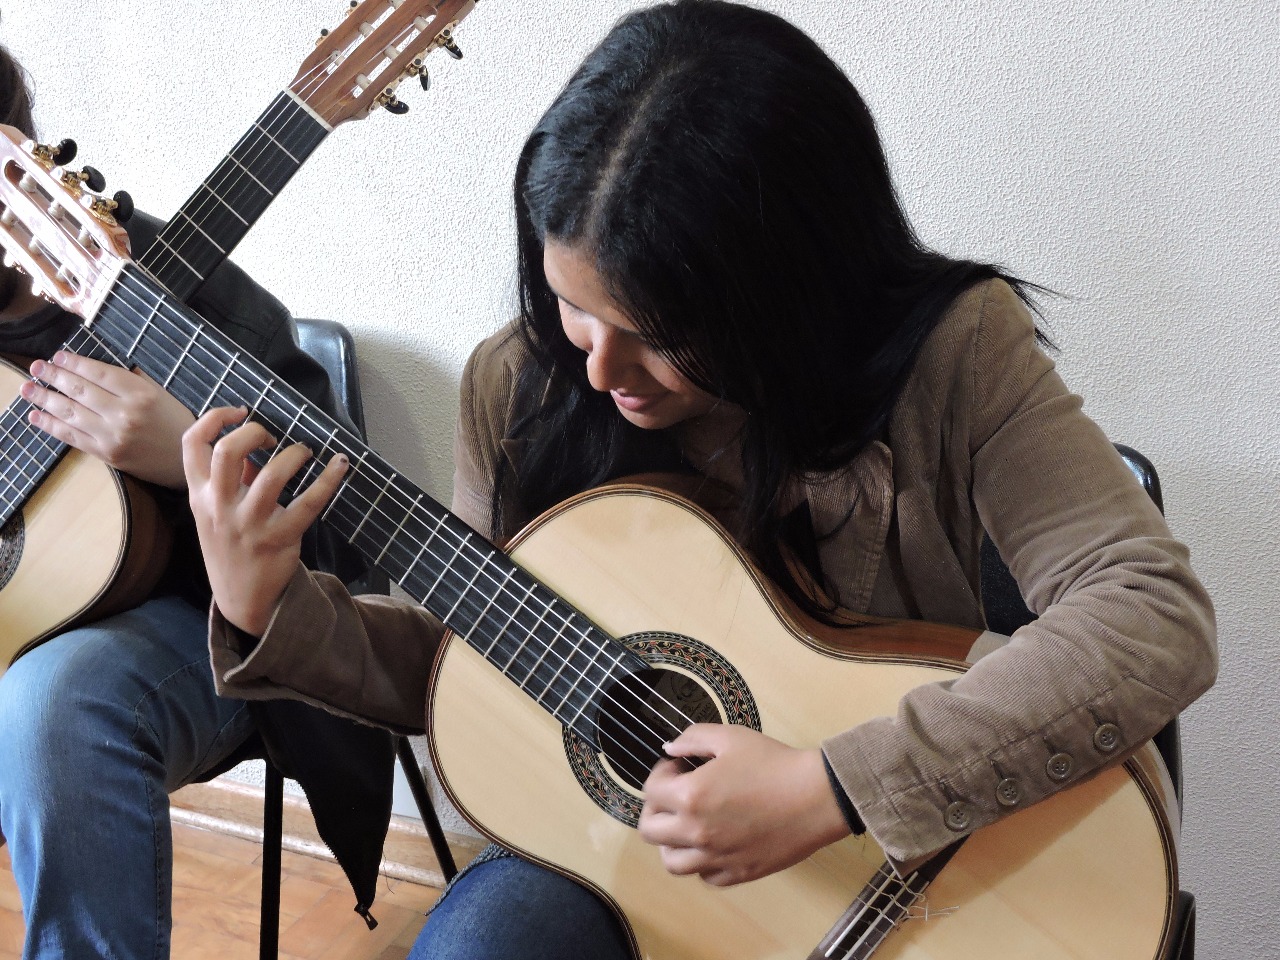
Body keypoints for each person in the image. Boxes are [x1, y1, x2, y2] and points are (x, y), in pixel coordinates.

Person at [183, 1, 1219, 957]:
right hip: (614, 871)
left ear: (785, 293)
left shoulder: (953, 350)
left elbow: (1148, 617)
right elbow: (465, 662)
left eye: (657, 335)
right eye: (571, 306)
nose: (595, 366)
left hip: (897, 888)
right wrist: (267, 603)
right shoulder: (519, 381)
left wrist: (832, 786)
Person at [0, 38, 388, 959]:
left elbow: (352, 531)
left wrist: (186, 452)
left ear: (18, 163)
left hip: (203, 630)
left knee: (50, 707)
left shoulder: (185, 276)